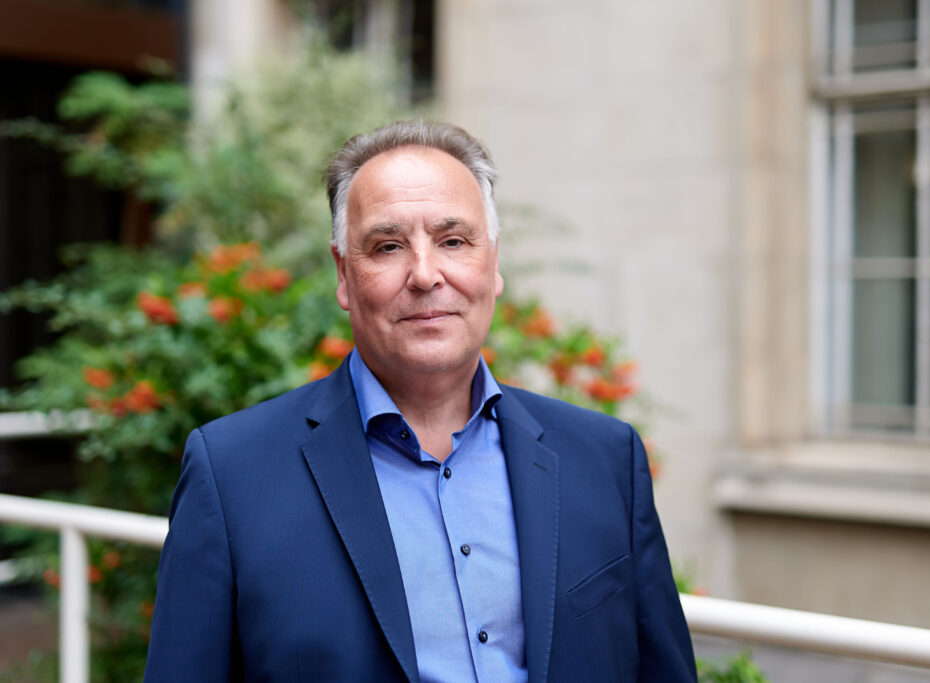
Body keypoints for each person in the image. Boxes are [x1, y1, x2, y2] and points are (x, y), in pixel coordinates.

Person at [144, 120, 697, 682]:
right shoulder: (233, 473)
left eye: (453, 241)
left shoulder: (604, 458)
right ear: (343, 274)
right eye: (387, 247)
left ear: (493, 262)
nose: (426, 275)